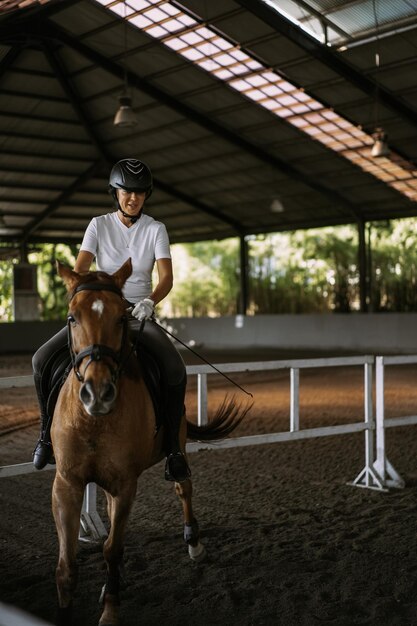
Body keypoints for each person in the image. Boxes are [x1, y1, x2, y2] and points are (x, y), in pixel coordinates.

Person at [32, 158, 191, 483]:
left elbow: (166, 278)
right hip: (100, 311)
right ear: (115, 193)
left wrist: (149, 301)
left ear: (146, 195)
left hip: (137, 315)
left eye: (139, 193)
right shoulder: (98, 225)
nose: (132, 198)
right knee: (41, 359)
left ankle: (173, 451)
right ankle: (46, 437)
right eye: (125, 192)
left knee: (175, 369)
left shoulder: (155, 229)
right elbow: (80, 270)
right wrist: (95, 298)